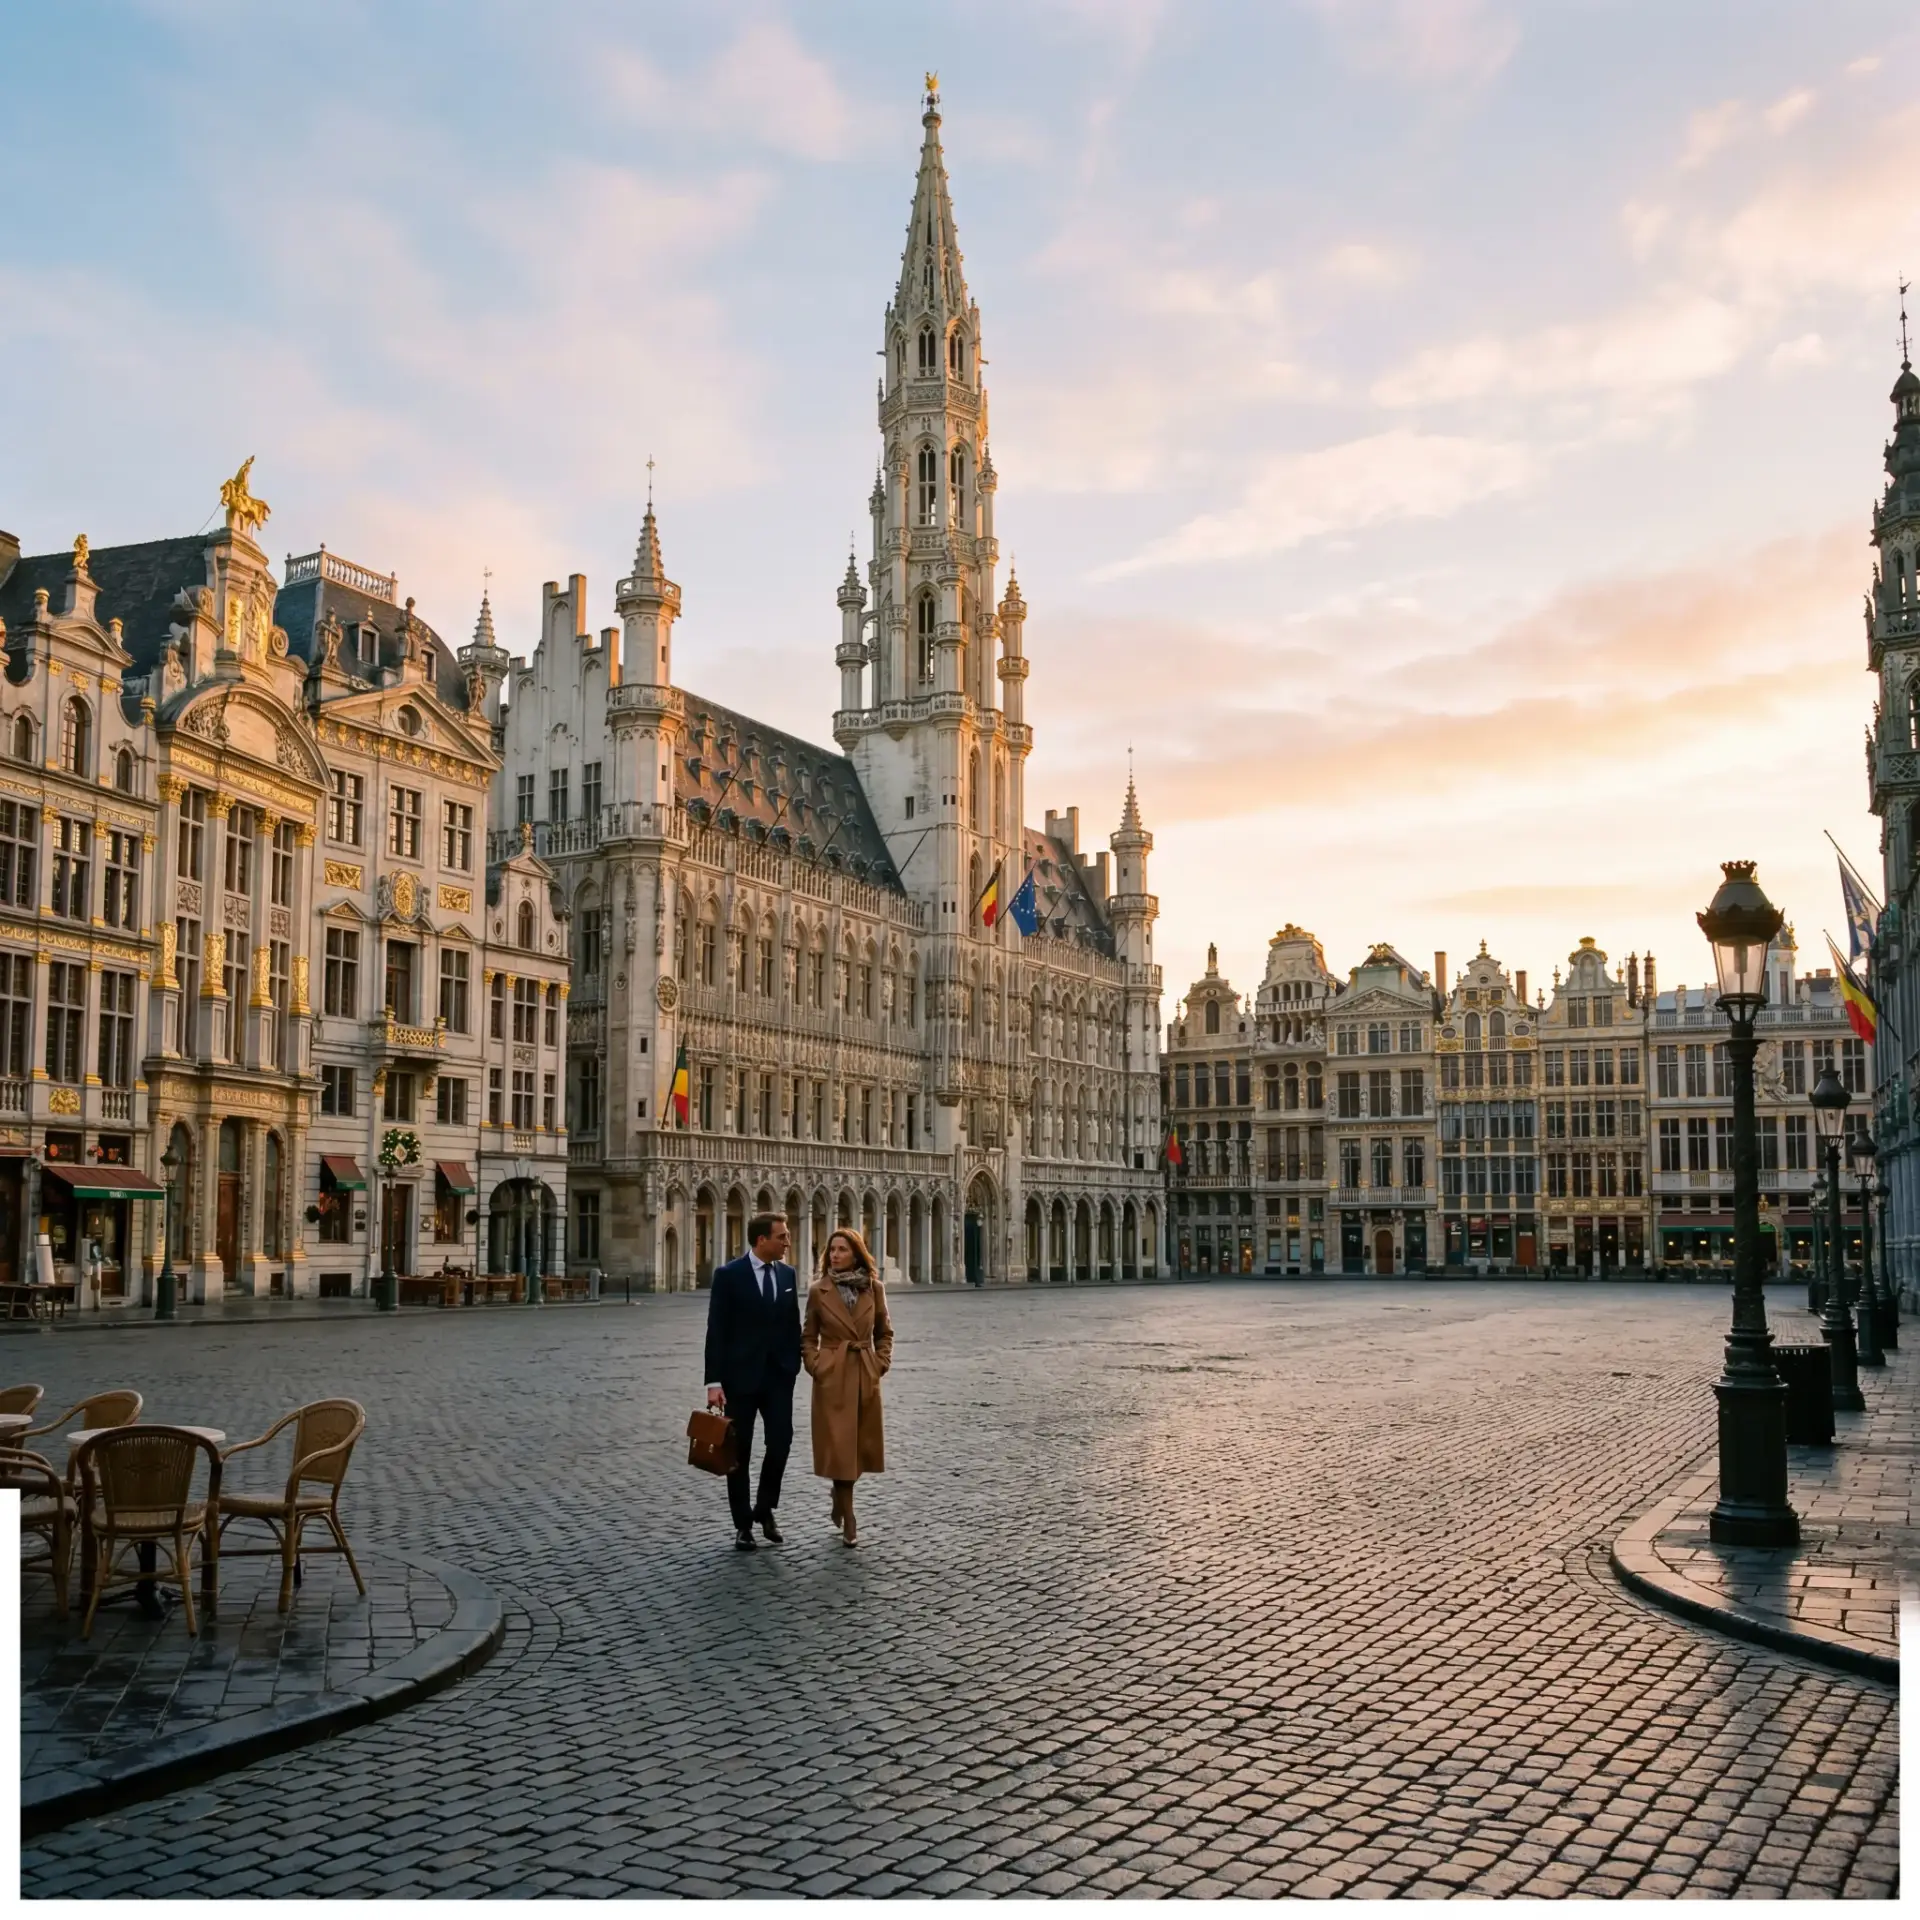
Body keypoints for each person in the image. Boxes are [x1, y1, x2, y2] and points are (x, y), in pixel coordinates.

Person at [703, 1212, 801, 1551]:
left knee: (781, 1442)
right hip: (739, 1379)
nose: (788, 1242)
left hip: (777, 1377)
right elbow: (716, 1330)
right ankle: (743, 1524)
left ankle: (764, 1507)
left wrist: (793, 1366)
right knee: (739, 1453)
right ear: (762, 1240)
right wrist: (713, 1382)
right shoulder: (729, 1276)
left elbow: (793, 1325)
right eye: (782, 1236)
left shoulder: (788, 1274)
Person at [802, 1228, 893, 1547]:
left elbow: (884, 1332)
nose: (835, 1255)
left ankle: (839, 1495)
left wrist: (880, 1362)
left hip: (864, 1372)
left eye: (842, 1249)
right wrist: (817, 1365)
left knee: (859, 1448)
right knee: (841, 1447)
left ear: (856, 1253)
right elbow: (808, 1336)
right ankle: (850, 1519)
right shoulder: (819, 1291)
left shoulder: (875, 1289)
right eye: (832, 1250)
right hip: (833, 1375)